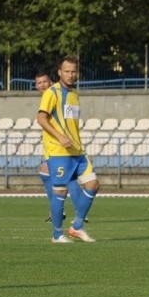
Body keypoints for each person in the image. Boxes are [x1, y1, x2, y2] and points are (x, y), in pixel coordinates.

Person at [36, 56, 100, 243]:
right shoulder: (52, 93)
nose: (71, 75)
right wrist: (60, 137)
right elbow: (41, 119)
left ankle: (77, 226)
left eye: (73, 71)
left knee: (93, 184)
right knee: (60, 192)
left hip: (77, 151)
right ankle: (57, 235)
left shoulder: (74, 94)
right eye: (67, 71)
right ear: (59, 73)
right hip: (59, 151)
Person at [34, 69, 85, 224]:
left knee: (67, 178)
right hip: (54, 144)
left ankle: (75, 211)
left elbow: (45, 120)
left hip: (58, 146)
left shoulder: (56, 95)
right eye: (39, 83)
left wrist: (62, 137)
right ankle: (64, 210)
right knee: (48, 173)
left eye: (45, 81)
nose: (42, 85)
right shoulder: (55, 96)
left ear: (51, 82)